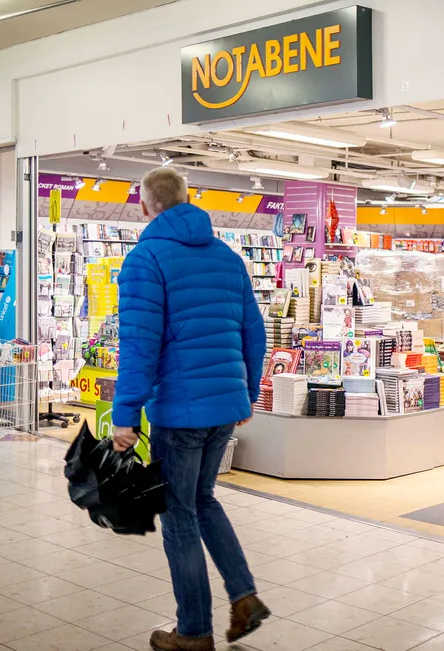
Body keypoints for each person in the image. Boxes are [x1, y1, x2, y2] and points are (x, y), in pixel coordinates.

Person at [112, 167, 270, 651]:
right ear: (187, 199)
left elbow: (140, 343)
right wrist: (245, 392)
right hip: (224, 406)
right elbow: (254, 333)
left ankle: (194, 631)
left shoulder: (146, 259)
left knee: (179, 513)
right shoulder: (227, 256)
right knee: (202, 501)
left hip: (179, 412)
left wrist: (125, 413)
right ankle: (244, 598)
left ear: (146, 206)